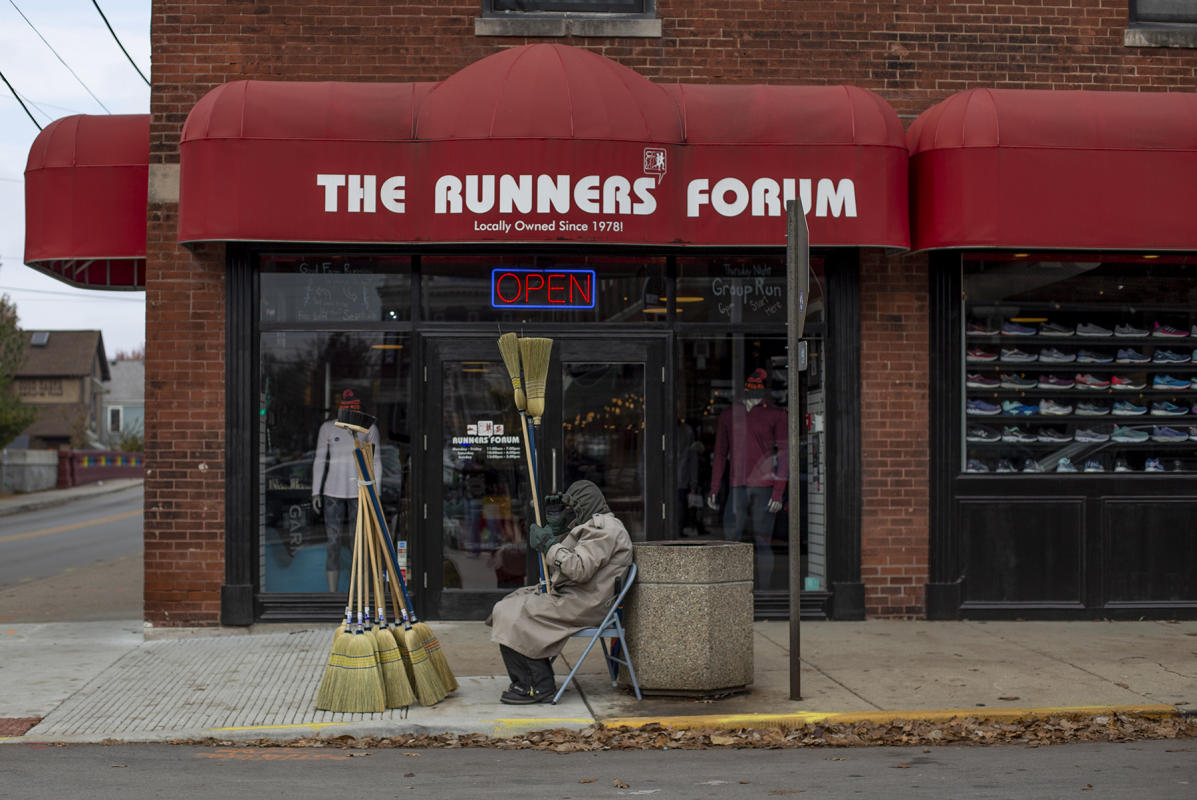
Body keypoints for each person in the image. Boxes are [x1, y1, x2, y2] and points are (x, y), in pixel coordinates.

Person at [488, 479, 633, 704]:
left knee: (512, 614)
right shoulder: (595, 526)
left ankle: (537, 685)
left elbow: (578, 568)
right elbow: (571, 559)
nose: (570, 514)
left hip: (585, 604)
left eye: (572, 508)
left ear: (584, 505)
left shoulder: (605, 529)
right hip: (578, 597)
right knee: (509, 605)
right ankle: (530, 680)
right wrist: (556, 534)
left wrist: (548, 544)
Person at [707, 367, 789, 587]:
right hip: (736, 485)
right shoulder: (729, 415)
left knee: (763, 542)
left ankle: (764, 591)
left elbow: (784, 455)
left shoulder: (776, 414)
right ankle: (731, 589)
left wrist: (778, 492)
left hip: (764, 486)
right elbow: (720, 454)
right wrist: (714, 488)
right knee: (731, 542)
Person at [311, 389, 381, 592]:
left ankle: (357, 592)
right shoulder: (328, 428)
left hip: (359, 491)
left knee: (357, 542)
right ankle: (332, 593)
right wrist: (316, 491)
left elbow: (375, 461)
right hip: (332, 492)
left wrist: (375, 491)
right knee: (333, 542)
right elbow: (319, 459)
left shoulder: (368, 428)